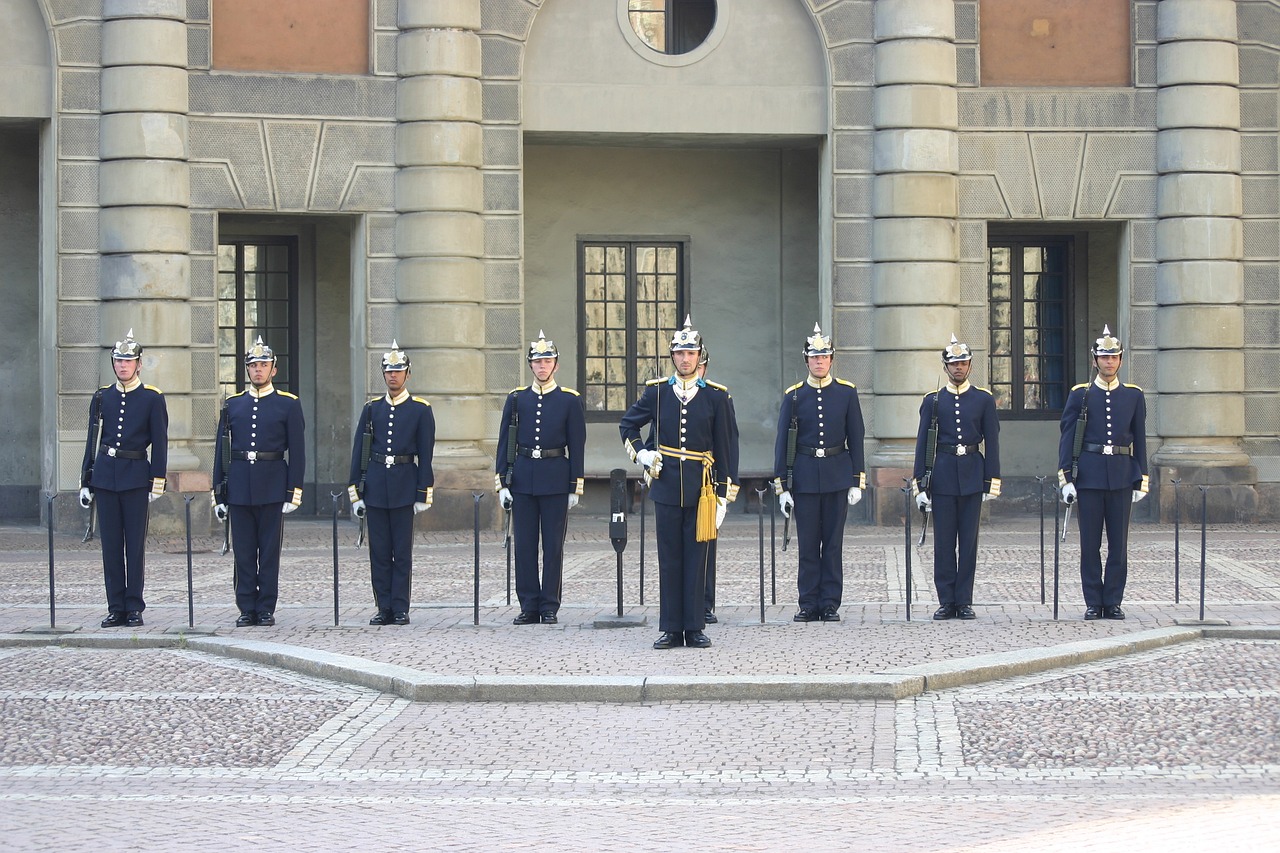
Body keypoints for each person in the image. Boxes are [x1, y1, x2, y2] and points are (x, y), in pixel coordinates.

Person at [620, 316, 733, 649]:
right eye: (680, 353)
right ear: (672, 356)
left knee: (697, 559)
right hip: (667, 486)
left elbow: (724, 449)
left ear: (700, 356)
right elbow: (627, 425)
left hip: (702, 489)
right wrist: (641, 454)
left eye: (691, 353)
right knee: (669, 559)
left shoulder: (716, 397)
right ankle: (671, 627)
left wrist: (723, 496)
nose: (686, 359)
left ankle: (694, 626)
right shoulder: (657, 393)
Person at [773, 323, 866, 623]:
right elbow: (783, 441)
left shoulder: (846, 393)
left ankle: (829, 603)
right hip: (805, 477)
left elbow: (856, 436)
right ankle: (808, 602)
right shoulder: (795, 396)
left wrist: (857, 479)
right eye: (814, 357)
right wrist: (783, 486)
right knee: (808, 544)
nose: (819, 362)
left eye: (824, 357)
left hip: (838, 474)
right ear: (806, 361)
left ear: (831, 359)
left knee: (833, 543)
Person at [212, 337, 306, 627]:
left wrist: (294, 491)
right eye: (253, 366)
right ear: (247, 370)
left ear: (273, 370)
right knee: (243, 551)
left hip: (272, 484)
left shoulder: (288, 405)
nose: (258, 370)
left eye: (264, 365)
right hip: (239, 485)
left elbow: (298, 452)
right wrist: (219, 493)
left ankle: (265, 607)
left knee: (268, 552)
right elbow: (221, 451)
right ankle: (246, 607)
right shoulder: (233, 405)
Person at [1058, 325, 1149, 620]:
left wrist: (1141, 478)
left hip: (1122, 475)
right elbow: (1068, 439)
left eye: (1114, 357)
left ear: (1120, 360)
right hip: (1090, 475)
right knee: (1090, 545)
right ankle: (1093, 602)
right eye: (1104, 357)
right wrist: (1067, 479)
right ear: (1094, 360)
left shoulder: (1134, 396)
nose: (1109, 362)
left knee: (1118, 546)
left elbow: (1140, 439)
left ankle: (1113, 601)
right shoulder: (1080, 395)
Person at [495, 331, 586, 625]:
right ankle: (529, 605)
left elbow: (577, 445)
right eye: (537, 361)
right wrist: (502, 482)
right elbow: (504, 442)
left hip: (556, 478)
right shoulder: (517, 399)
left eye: (547, 360)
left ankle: (549, 605)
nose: (542, 366)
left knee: (552, 547)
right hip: (523, 478)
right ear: (530, 365)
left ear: (556, 365)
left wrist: (575, 484)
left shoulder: (569, 401)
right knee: (524, 546)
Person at [79, 330, 168, 628]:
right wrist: (86, 480)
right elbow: (92, 439)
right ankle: (115, 606)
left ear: (139, 365)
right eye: (118, 360)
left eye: (128, 361)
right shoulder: (102, 396)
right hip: (105, 476)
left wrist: (157, 480)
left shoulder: (152, 398)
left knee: (134, 546)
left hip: (135, 476)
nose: (123, 366)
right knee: (111, 547)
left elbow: (160, 442)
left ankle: (134, 606)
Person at [912, 335, 1001, 621]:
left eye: (963, 363)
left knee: (969, 543)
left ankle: (964, 600)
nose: (959, 368)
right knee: (944, 543)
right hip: (943, 476)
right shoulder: (933, 401)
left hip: (973, 473)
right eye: (954, 364)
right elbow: (923, 444)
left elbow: (993, 442)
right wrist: (920, 484)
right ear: (945, 367)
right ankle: (946, 600)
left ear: (970, 365)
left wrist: (992, 480)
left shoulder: (983, 399)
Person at [348, 341, 435, 626]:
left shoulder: (421, 410)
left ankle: (400, 607)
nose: (393, 376)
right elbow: (359, 452)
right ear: (383, 374)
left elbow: (425, 453)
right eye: (388, 371)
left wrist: (423, 491)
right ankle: (382, 606)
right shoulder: (372, 409)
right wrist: (356, 490)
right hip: (375, 485)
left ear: (408, 374)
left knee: (402, 552)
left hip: (404, 485)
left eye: (398, 371)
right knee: (380, 553)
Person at [697, 345, 740, 624]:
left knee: (706, 547)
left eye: (699, 364)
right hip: (677, 481)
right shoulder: (668, 394)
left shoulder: (717, 396)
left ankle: (704, 603)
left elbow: (728, 444)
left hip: (707, 483)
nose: (694, 368)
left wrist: (726, 491)